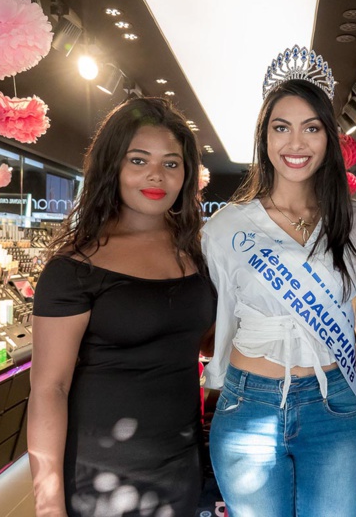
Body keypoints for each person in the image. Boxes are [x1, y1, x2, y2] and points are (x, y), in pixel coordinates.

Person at [201, 47, 356, 517]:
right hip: (247, 405)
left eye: (311, 128)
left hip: (333, 404)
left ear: (329, 138)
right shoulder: (225, 228)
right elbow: (208, 315)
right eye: (281, 127)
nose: (295, 143)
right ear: (265, 137)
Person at [27, 97, 216, 517]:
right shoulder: (75, 267)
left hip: (181, 467)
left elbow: (203, 342)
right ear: (112, 166)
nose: (156, 175)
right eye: (138, 159)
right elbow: (48, 389)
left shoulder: (199, 255)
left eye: (171, 163)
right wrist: (48, 503)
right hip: (102, 479)